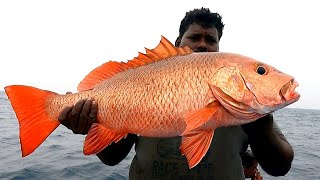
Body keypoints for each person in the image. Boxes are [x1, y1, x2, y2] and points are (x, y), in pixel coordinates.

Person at [58, 7, 294, 179]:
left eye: (211, 40)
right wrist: (88, 125)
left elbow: (280, 168)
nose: (203, 44)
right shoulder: (144, 78)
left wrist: (261, 124)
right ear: (178, 41)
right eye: (194, 37)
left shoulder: (254, 112)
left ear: (219, 50)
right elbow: (112, 158)